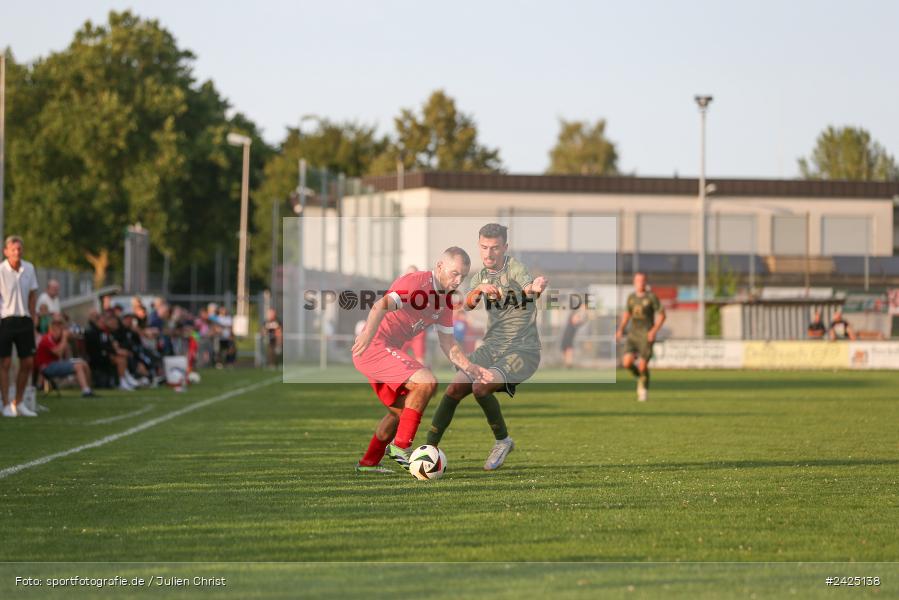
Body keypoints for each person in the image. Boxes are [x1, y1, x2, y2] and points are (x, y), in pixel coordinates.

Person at [352, 247, 492, 474]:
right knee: (427, 382)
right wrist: (367, 334)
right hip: (374, 346)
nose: (458, 280)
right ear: (439, 266)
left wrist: (469, 366)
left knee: (400, 412)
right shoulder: (417, 285)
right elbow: (380, 305)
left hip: (386, 349)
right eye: (454, 273)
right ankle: (399, 447)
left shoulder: (445, 301)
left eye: (463, 276)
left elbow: (448, 344)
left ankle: (368, 464)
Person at [426, 223, 548, 471]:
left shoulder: (515, 267)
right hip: (492, 346)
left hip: (522, 350)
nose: (489, 254)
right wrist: (479, 289)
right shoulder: (479, 276)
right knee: (454, 388)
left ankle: (503, 441)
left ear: (505, 247)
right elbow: (468, 305)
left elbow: (527, 289)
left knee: (481, 387)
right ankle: (428, 450)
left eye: (494, 248)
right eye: (484, 248)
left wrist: (534, 289)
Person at [0, 236, 40, 418]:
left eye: (19, 249)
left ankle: (19, 401)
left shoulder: (29, 268)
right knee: (5, 362)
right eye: (13, 249)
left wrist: (33, 316)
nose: (17, 252)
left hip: (24, 319)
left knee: (27, 362)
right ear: (6, 251)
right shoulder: (1, 270)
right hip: (5, 320)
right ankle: (6, 403)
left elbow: (32, 294)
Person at [616, 272, 666, 402]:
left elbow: (662, 315)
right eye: (638, 280)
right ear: (634, 282)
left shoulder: (651, 297)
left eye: (643, 280)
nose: (640, 283)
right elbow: (627, 314)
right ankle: (641, 377)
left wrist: (654, 331)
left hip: (646, 336)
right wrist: (620, 329)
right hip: (633, 335)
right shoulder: (631, 297)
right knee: (626, 363)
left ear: (646, 282)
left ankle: (643, 389)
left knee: (643, 365)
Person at [35, 315, 95, 397]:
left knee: (84, 364)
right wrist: (64, 338)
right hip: (47, 367)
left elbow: (76, 338)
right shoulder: (47, 338)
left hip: (55, 364)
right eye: (57, 326)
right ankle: (85, 391)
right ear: (52, 327)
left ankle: (88, 389)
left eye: (61, 325)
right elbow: (58, 353)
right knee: (78, 366)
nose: (60, 328)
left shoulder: (57, 338)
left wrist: (70, 336)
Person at [400, 265, 428, 365]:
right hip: (402, 330)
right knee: (398, 359)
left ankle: (425, 378)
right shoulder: (399, 288)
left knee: (420, 360)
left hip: (417, 330)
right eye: (409, 274)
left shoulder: (424, 290)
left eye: (414, 274)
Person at [561, 303, 588, 368]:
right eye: (583, 307)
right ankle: (567, 363)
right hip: (567, 334)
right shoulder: (575, 313)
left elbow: (580, 322)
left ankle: (569, 364)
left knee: (569, 349)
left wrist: (583, 315)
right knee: (564, 349)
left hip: (571, 335)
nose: (583, 308)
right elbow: (574, 320)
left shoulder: (582, 315)